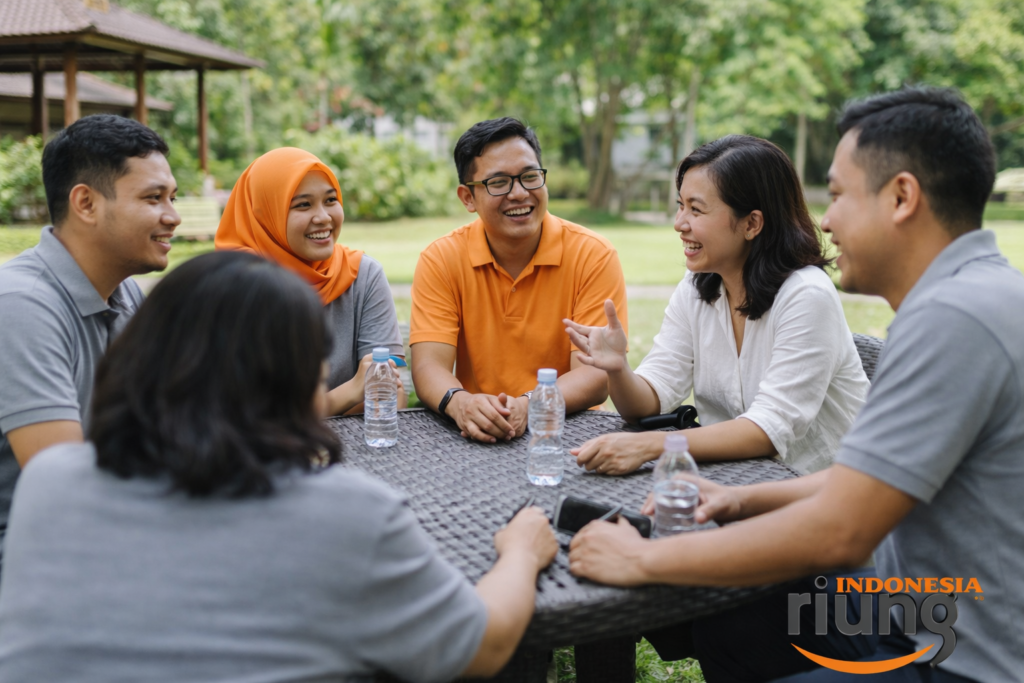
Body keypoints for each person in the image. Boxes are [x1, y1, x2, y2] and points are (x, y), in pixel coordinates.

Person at [567, 88, 1024, 682]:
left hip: (949, 652)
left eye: (836, 194)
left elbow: (840, 530)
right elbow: (868, 483)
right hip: (912, 609)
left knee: (735, 601)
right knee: (729, 615)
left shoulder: (953, 319)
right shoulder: (970, 297)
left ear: (902, 197)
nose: (826, 218)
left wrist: (647, 558)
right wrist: (739, 499)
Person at [0, 251, 558, 683]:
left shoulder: (49, 484)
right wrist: (521, 552)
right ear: (300, 381)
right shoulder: (346, 513)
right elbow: (481, 647)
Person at [565, 135, 868, 475]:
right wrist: (617, 368)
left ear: (751, 224)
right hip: (731, 481)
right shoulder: (697, 287)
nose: (679, 223)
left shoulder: (807, 296)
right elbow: (647, 401)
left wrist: (652, 446)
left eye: (696, 209)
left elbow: (769, 428)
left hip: (824, 495)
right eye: (681, 205)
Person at [0, 114, 178, 570]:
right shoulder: (22, 306)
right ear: (86, 203)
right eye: (153, 198)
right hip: (33, 562)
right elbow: (63, 489)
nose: (173, 217)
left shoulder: (124, 295)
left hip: (99, 539)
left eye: (172, 198)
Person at [411, 117, 628, 443]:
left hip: (568, 434)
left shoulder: (592, 255)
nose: (519, 193)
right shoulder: (441, 259)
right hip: (475, 434)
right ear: (467, 198)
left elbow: (597, 373)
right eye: (499, 183)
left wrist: (531, 405)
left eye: (530, 177)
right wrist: (461, 404)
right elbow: (429, 366)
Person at [216, 147, 405, 415]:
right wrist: (349, 392)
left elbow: (390, 396)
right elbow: (245, 414)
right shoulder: (235, 287)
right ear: (264, 214)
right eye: (303, 204)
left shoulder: (361, 274)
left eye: (330, 200)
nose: (323, 217)